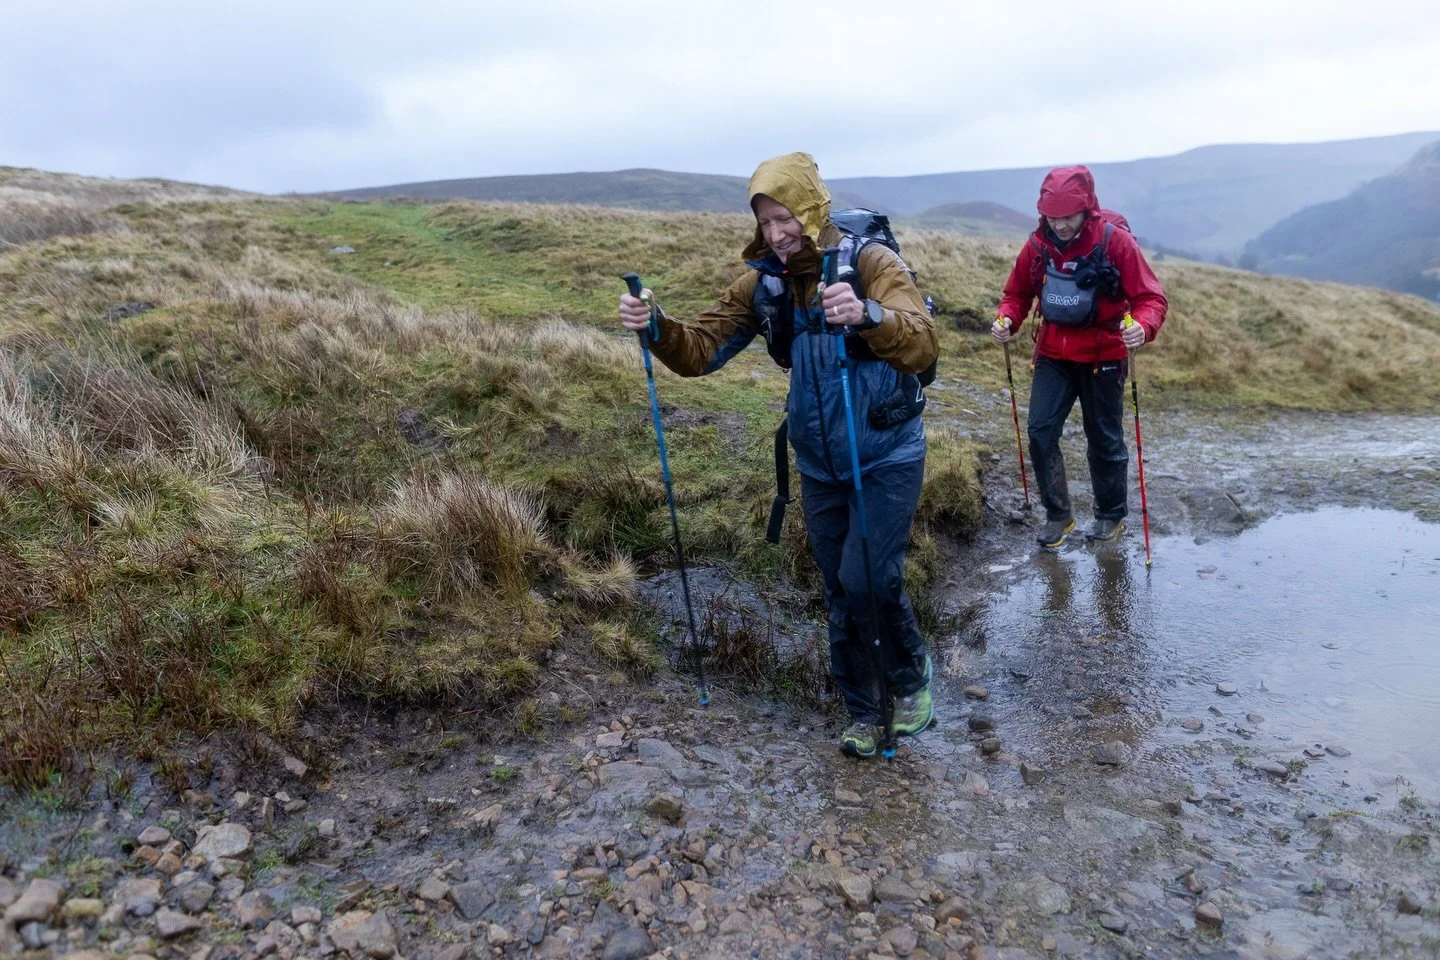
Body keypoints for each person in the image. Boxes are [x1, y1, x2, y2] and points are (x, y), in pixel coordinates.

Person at [617, 152, 939, 759]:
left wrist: (869, 314)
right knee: (842, 587)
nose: (777, 233)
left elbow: (922, 343)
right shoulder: (765, 284)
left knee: (867, 576)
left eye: (785, 217)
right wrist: (653, 325)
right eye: (766, 222)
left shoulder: (872, 263)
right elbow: (701, 350)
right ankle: (865, 711)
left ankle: (910, 676)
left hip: (887, 453)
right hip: (818, 464)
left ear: (812, 209)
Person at [990, 166, 1167, 548]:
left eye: (1068, 216)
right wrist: (1007, 318)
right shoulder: (1038, 245)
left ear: (1087, 208)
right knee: (1040, 431)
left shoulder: (1114, 241)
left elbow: (1151, 298)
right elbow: (1017, 293)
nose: (1061, 225)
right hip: (1053, 353)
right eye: (1053, 217)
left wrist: (1143, 326)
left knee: (1103, 438)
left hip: (1104, 354)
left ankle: (1109, 515)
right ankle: (1059, 516)